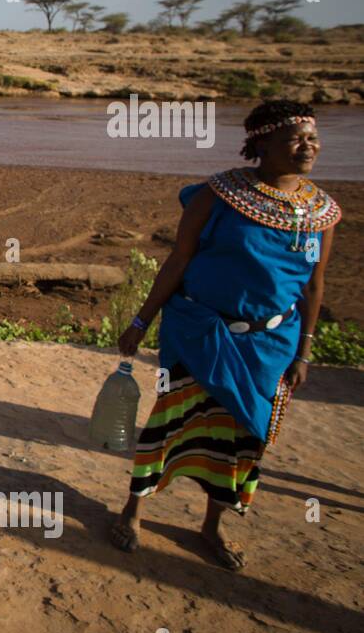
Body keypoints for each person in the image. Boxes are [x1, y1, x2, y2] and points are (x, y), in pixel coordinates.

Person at [110, 100, 341, 570]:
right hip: (201, 331)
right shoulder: (218, 195)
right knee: (170, 424)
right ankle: (133, 511)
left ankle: (213, 526)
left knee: (244, 439)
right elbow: (178, 260)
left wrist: (305, 352)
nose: (307, 148)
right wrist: (140, 320)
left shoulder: (321, 213)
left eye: (312, 139)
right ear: (262, 145)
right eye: (294, 139)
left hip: (271, 345)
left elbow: (315, 285)